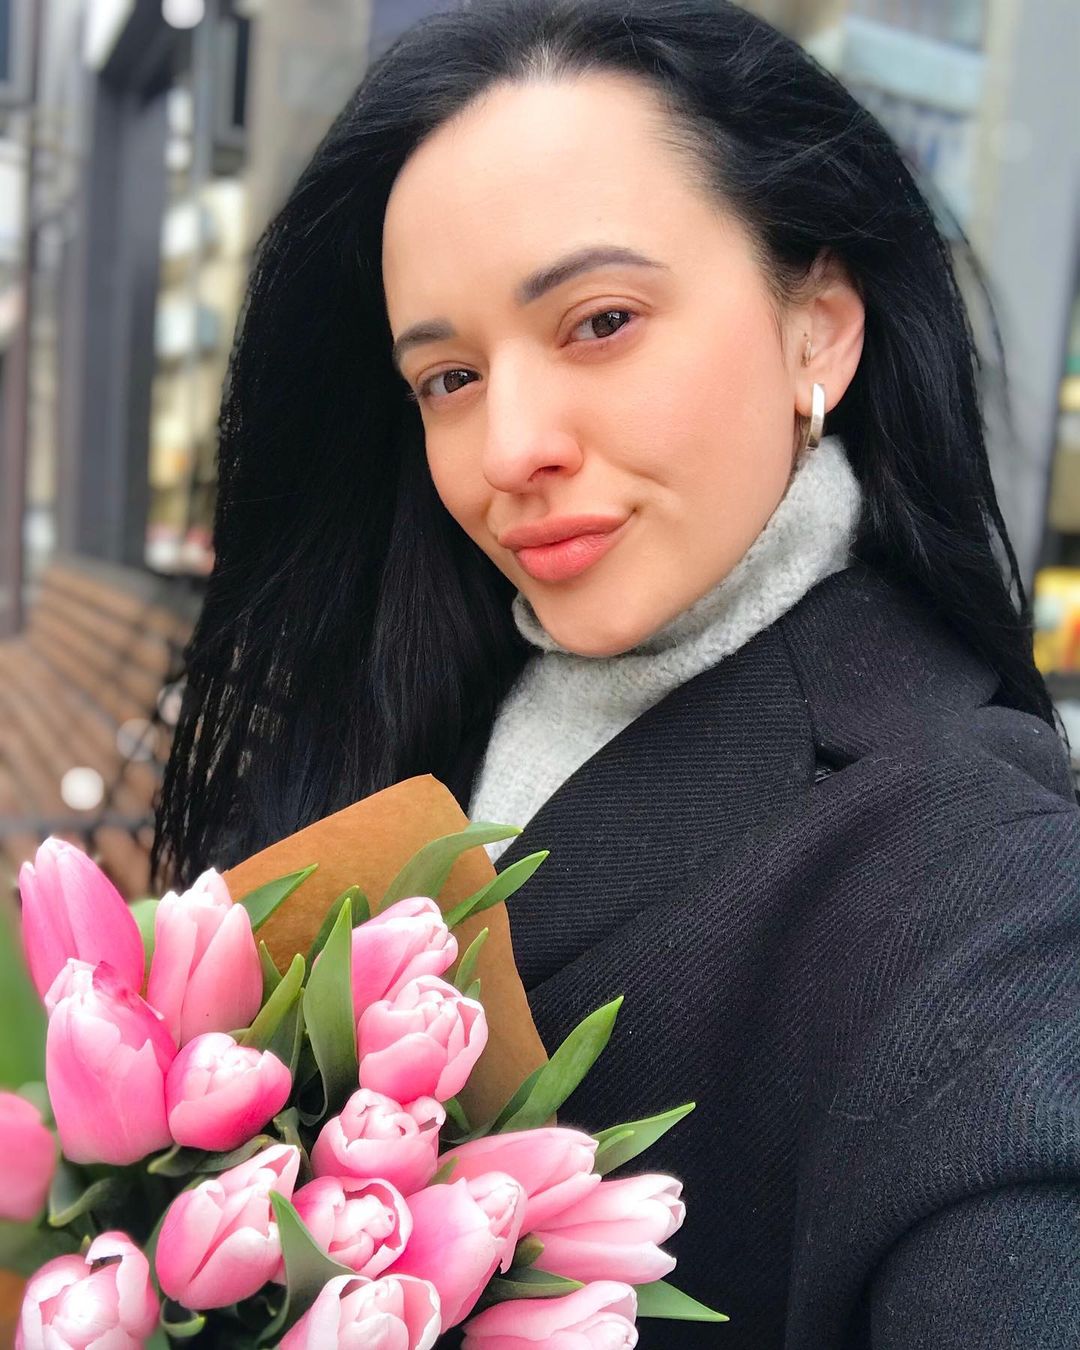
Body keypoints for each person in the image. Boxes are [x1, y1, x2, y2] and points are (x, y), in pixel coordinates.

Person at [152, 1, 1080, 1345]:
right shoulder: (415, 688)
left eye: (599, 321)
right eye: (449, 377)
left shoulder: (989, 889)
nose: (508, 448)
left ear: (818, 328)